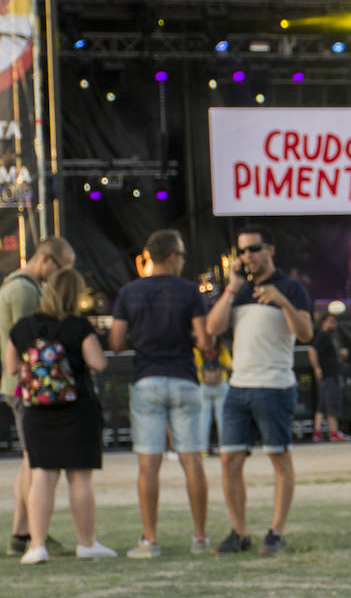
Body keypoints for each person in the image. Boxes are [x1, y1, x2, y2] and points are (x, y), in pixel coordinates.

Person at [205, 225, 312, 557]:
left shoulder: (291, 288)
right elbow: (213, 328)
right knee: (229, 461)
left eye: (253, 249)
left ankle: (275, 532)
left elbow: (306, 333)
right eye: (242, 251)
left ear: (270, 250)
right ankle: (239, 533)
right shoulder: (239, 290)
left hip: (274, 386)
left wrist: (281, 301)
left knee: (278, 458)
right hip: (238, 387)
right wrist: (231, 290)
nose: (247, 256)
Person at [109, 229, 213, 557]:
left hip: (147, 379)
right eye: (181, 255)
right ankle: (199, 538)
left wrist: (141, 340)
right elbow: (205, 340)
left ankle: (150, 540)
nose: (183, 261)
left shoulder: (129, 292)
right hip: (183, 377)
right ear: (172, 256)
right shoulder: (190, 291)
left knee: (148, 463)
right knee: (192, 460)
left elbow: (115, 343)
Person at [3, 267, 116, 563]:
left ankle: (37, 546)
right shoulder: (78, 327)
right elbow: (98, 363)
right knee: (80, 478)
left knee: (42, 476)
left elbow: (12, 367)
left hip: (38, 413)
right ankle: (86, 543)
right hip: (77, 409)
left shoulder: (24, 327)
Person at [2, 236, 76, 557]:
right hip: (26, 387)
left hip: (18, 386)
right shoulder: (24, 291)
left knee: (31, 461)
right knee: (37, 462)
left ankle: (24, 531)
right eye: (60, 270)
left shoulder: (19, 286)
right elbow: (27, 343)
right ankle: (29, 533)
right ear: (46, 260)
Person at [309, 313, 350, 442]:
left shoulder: (330, 337)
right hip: (329, 375)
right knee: (332, 402)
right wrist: (317, 368)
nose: (334, 324)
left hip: (330, 374)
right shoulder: (323, 336)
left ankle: (317, 433)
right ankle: (333, 432)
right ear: (323, 323)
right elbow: (312, 350)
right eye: (331, 321)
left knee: (323, 404)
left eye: (335, 322)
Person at [196, 336, 231, 454]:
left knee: (203, 417)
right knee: (222, 417)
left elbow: (194, 365)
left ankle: (203, 448)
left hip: (203, 385)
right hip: (221, 383)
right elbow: (230, 364)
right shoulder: (221, 348)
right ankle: (224, 447)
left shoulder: (198, 349)